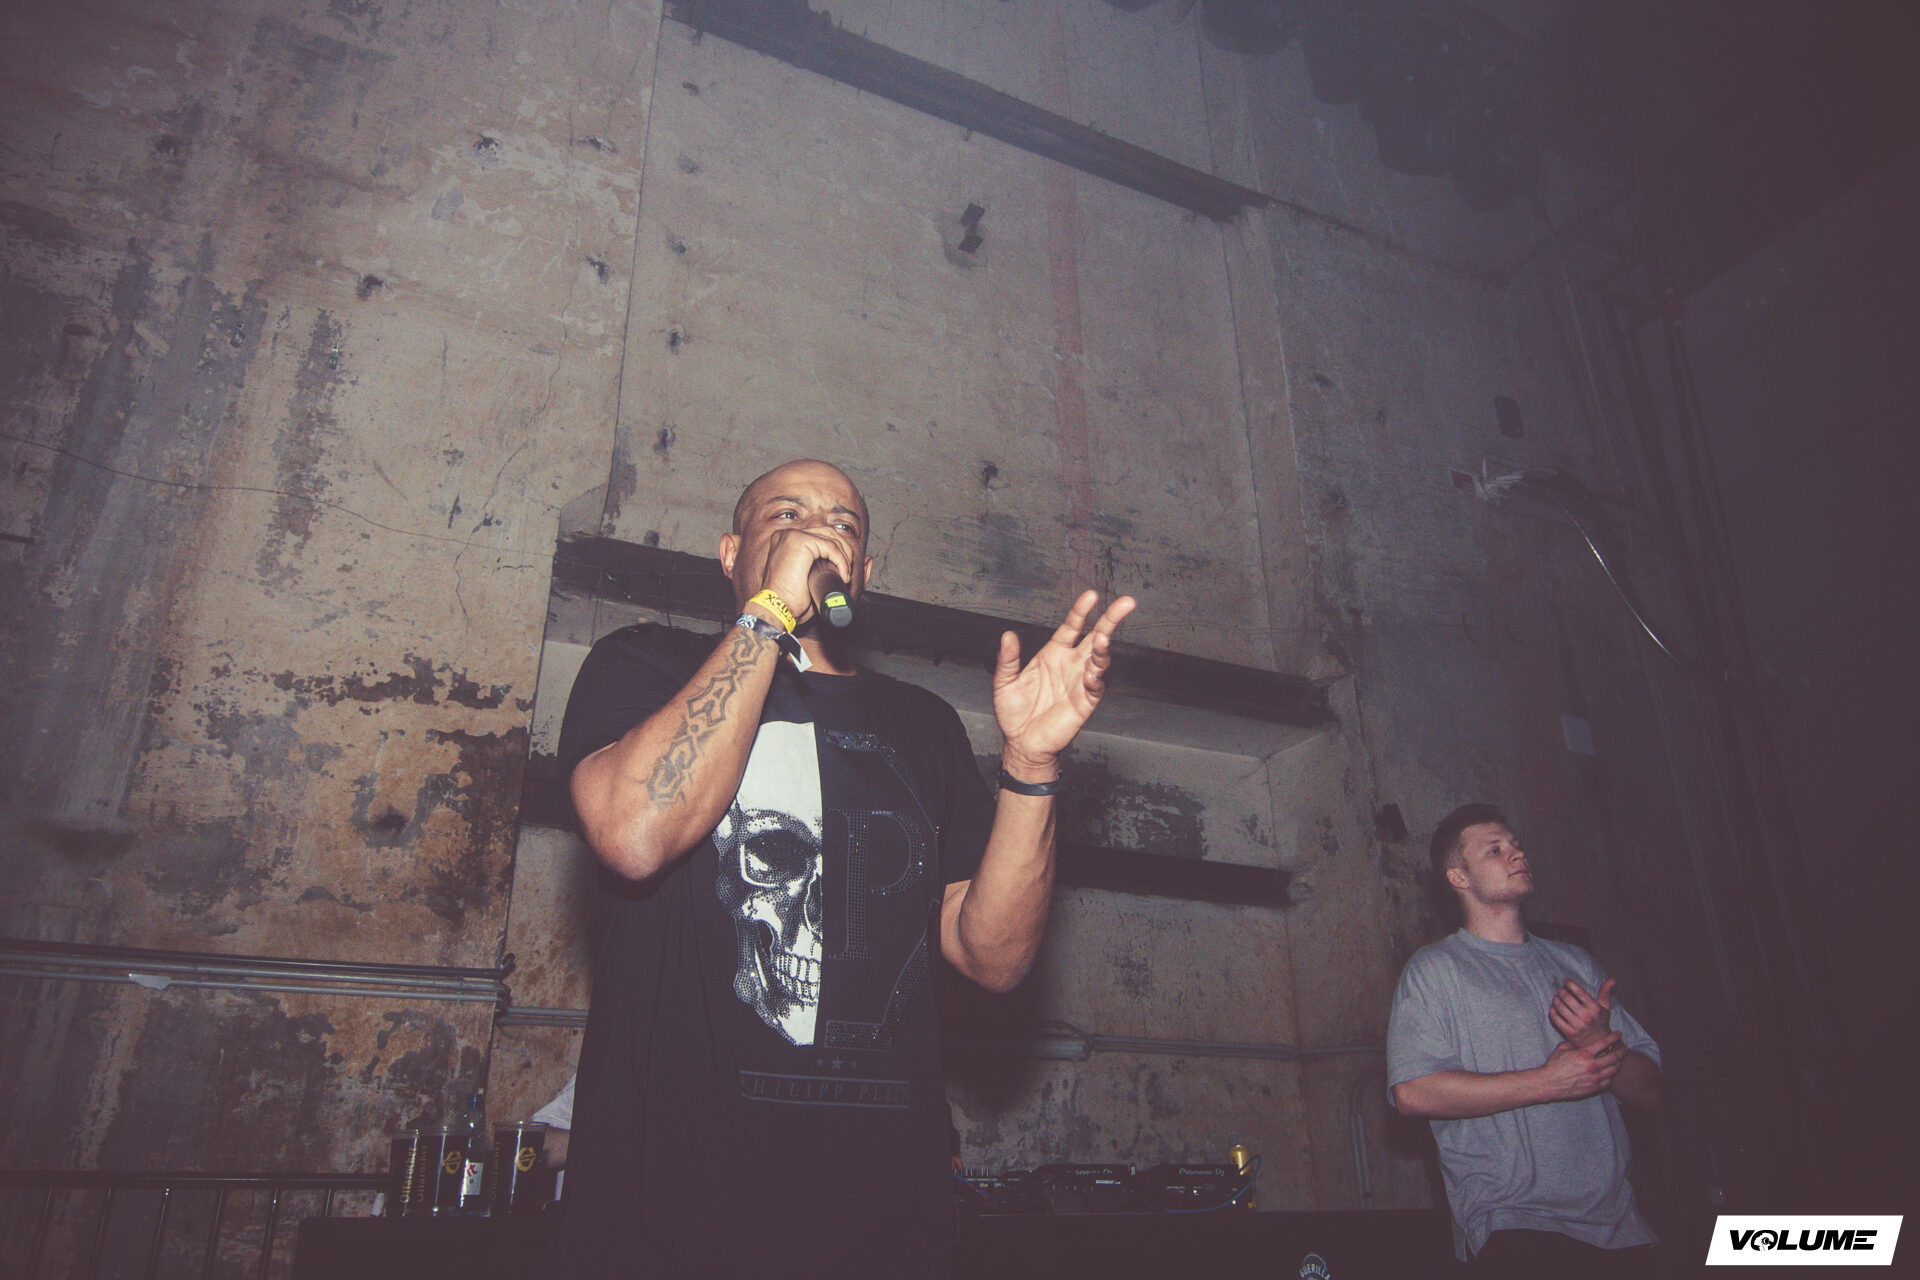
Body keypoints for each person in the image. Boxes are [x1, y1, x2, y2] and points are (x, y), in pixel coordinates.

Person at [556, 459, 1134, 1278]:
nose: (817, 532)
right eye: (785, 515)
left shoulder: (923, 725)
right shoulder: (645, 664)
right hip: (668, 1226)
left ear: (861, 571)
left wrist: (1030, 766)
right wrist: (769, 617)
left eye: (842, 525)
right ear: (732, 552)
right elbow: (634, 834)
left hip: (885, 1229)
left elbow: (994, 958)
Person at [1387, 803, 1662, 1277]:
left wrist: (1602, 1041)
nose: (1517, 854)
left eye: (1516, 845)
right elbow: (1412, 1093)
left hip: (1620, 1227)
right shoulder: (1435, 971)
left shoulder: (1576, 964)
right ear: (1459, 877)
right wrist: (1548, 1082)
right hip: (1514, 1224)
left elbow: (1651, 1091)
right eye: (1494, 850)